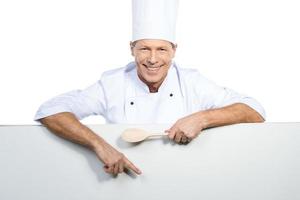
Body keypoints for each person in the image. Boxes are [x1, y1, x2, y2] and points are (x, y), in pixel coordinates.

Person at [34, 0, 265, 176]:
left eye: (161, 50)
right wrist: (99, 145)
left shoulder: (192, 82)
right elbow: (50, 111)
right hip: (122, 180)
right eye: (144, 49)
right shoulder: (112, 83)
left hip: (186, 177)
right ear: (131, 48)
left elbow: (254, 111)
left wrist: (202, 118)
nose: (152, 59)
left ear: (174, 51)